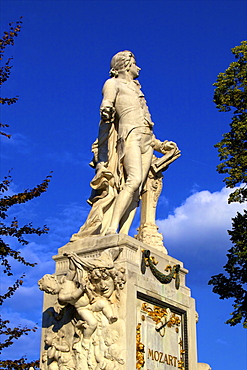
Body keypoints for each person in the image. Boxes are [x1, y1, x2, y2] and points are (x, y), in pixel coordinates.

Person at [71, 51, 177, 239]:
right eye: (135, 63)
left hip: (146, 141)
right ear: (126, 65)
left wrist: (161, 146)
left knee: (137, 191)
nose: (139, 68)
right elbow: (107, 103)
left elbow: (147, 127)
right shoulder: (113, 83)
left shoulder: (137, 91)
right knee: (133, 180)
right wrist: (106, 109)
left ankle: (124, 233)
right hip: (129, 137)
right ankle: (111, 227)